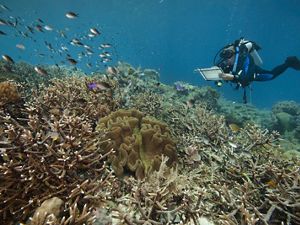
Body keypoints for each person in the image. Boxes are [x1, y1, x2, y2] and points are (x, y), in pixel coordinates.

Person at [214, 38, 300, 103]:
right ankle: (289, 63)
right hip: (241, 74)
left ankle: (289, 62)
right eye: (224, 58)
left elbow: (245, 79)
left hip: (252, 72)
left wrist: (233, 78)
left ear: (235, 54)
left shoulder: (245, 58)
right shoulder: (227, 62)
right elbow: (220, 78)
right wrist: (215, 76)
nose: (226, 60)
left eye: (228, 57)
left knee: (271, 75)